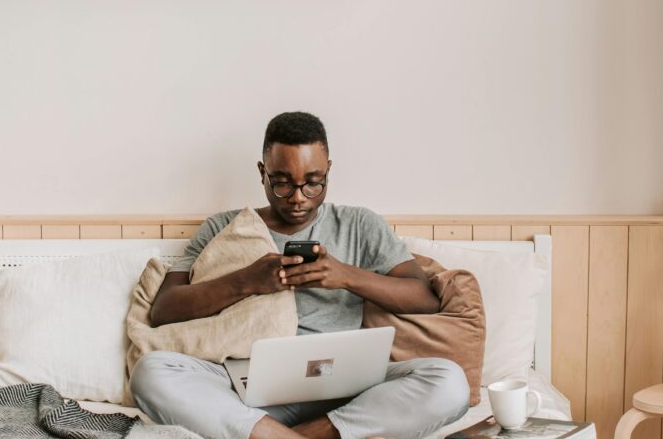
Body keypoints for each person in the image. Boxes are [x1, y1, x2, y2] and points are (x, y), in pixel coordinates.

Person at [130, 112, 470, 439]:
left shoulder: (359, 225)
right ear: (262, 172)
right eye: (282, 184)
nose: (297, 198)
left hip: (346, 392)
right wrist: (247, 281)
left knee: (449, 381)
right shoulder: (222, 227)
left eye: (313, 184)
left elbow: (424, 298)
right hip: (244, 391)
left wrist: (345, 276)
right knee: (150, 374)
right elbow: (164, 310)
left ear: (328, 171)